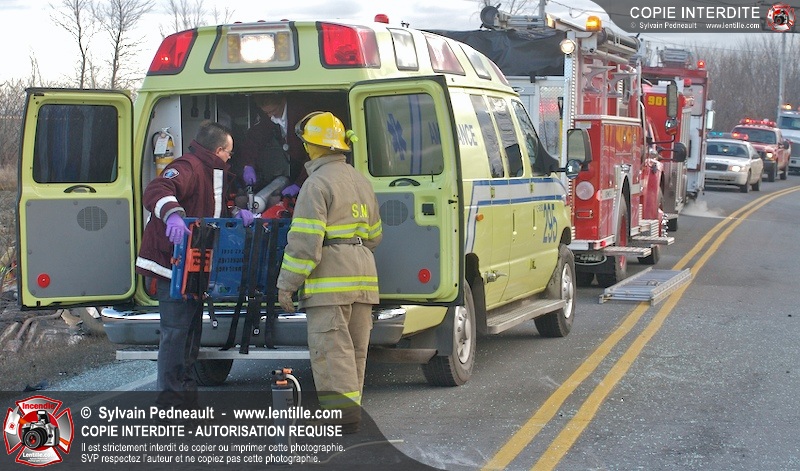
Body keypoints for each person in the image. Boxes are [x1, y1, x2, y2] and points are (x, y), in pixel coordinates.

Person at [135, 120, 254, 410]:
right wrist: (173, 214)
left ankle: (185, 403)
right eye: (229, 152)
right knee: (176, 336)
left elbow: (211, 211)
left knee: (189, 338)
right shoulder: (188, 166)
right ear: (218, 150)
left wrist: (235, 215)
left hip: (192, 266)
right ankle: (171, 405)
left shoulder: (212, 172)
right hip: (171, 266)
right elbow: (158, 189)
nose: (230, 157)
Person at [276, 111, 382, 434]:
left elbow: (305, 243)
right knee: (355, 355)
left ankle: (342, 420)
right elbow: (375, 236)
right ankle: (349, 416)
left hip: (330, 284)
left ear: (313, 146)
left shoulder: (316, 183)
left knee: (333, 355)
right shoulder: (361, 181)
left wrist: (287, 285)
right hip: (363, 279)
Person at [235, 93, 307, 208]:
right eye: (267, 113)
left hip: (307, 165)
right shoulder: (268, 115)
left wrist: (299, 184)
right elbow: (255, 138)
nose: (270, 116)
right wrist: (248, 164)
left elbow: (314, 156)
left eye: (273, 111)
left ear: (283, 101)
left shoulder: (301, 115)